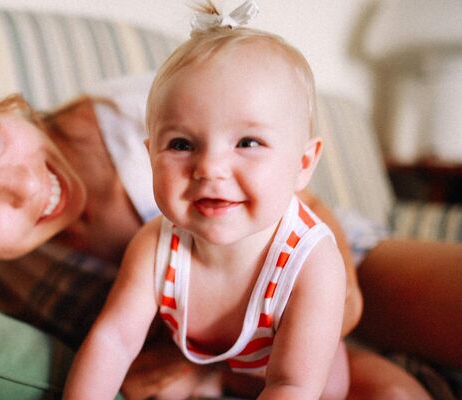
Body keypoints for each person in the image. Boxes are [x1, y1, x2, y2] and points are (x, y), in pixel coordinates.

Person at [0, 15, 458, 400]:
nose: (27, 190)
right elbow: (114, 346)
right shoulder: (0, 289)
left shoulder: (140, 112)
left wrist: (207, 366)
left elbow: (337, 291)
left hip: (334, 265)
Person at [64, 3, 351, 398]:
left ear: (303, 164)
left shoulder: (313, 263)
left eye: (247, 142)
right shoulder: (155, 246)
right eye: (181, 144)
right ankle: (211, 377)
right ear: (150, 157)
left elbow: (292, 384)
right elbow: (113, 341)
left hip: (299, 379)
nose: (210, 168)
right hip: (217, 364)